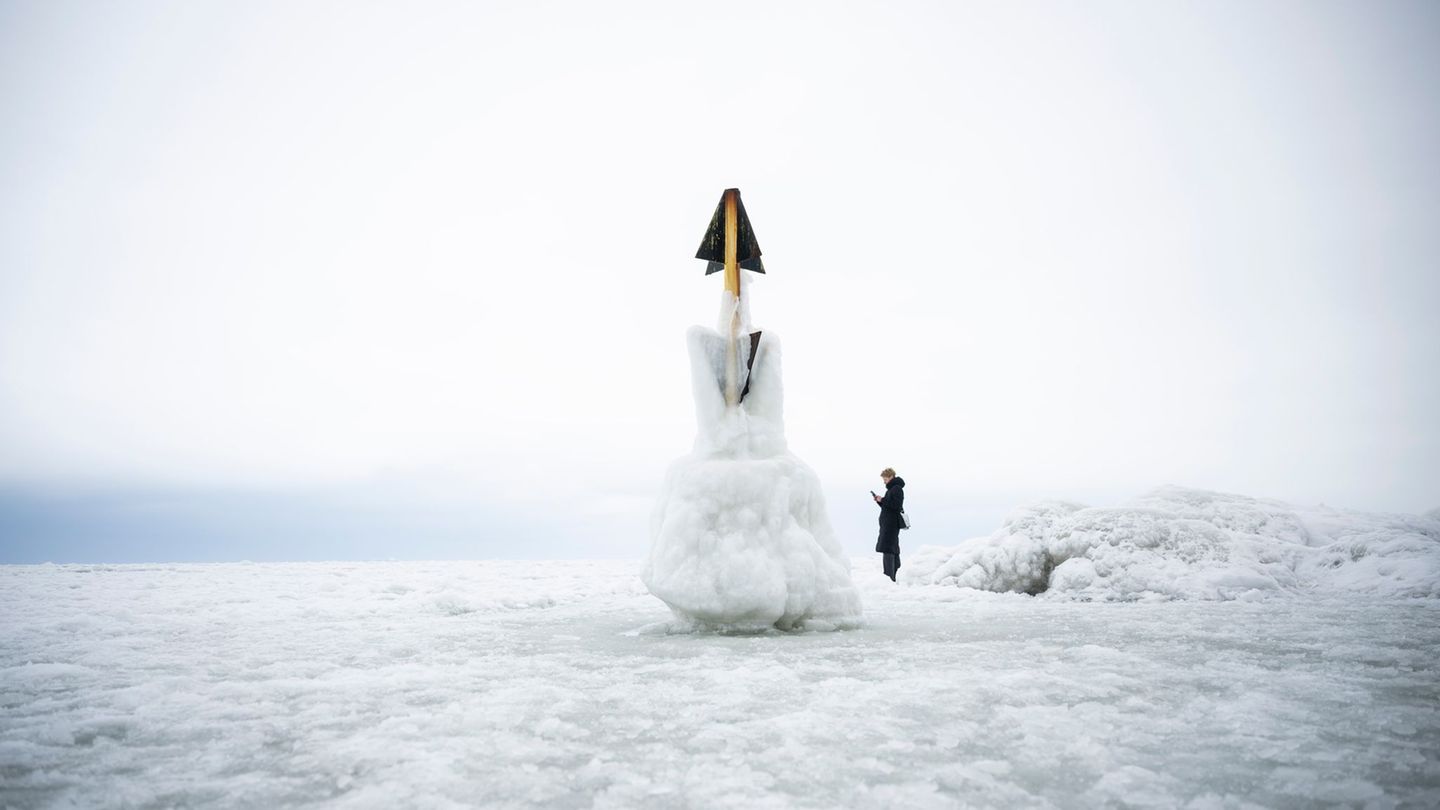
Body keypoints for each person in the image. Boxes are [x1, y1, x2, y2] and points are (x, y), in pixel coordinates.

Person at [873, 467, 905, 581]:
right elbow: (889, 506)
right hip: (889, 523)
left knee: (888, 549)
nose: (884, 482)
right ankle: (895, 577)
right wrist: (880, 501)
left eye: (885, 479)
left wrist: (883, 500)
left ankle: (889, 578)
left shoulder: (896, 489)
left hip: (891, 524)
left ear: (891, 477)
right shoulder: (892, 489)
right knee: (893, 549)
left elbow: (896, 505)